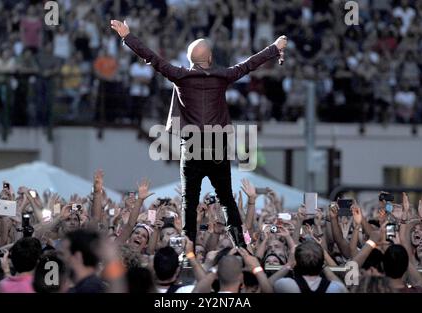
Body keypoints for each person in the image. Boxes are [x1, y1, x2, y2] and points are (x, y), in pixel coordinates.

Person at [110, 19, 287, 247]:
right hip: (217, 146)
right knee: (226, 200)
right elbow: (249, 64)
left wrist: (127, 36)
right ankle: (240, 246)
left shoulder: (180, 76)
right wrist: (275, 48)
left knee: (189, 202)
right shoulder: (223, 76)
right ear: (210, 58)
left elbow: (153, 58)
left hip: (191, 146)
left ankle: (188, 250)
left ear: (189, 59)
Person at [273, 241, 348, 293]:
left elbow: (266, 286)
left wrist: (289, 264)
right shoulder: (334, 288)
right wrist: (324, 266)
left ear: (296, 263)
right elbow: (343, 289)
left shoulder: (285, 285)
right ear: (322, 263)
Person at [61, 229, 106, 293]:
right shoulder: (89, 286)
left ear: (77, 257)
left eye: (63, 254)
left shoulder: (89, 289)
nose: (60, 259)